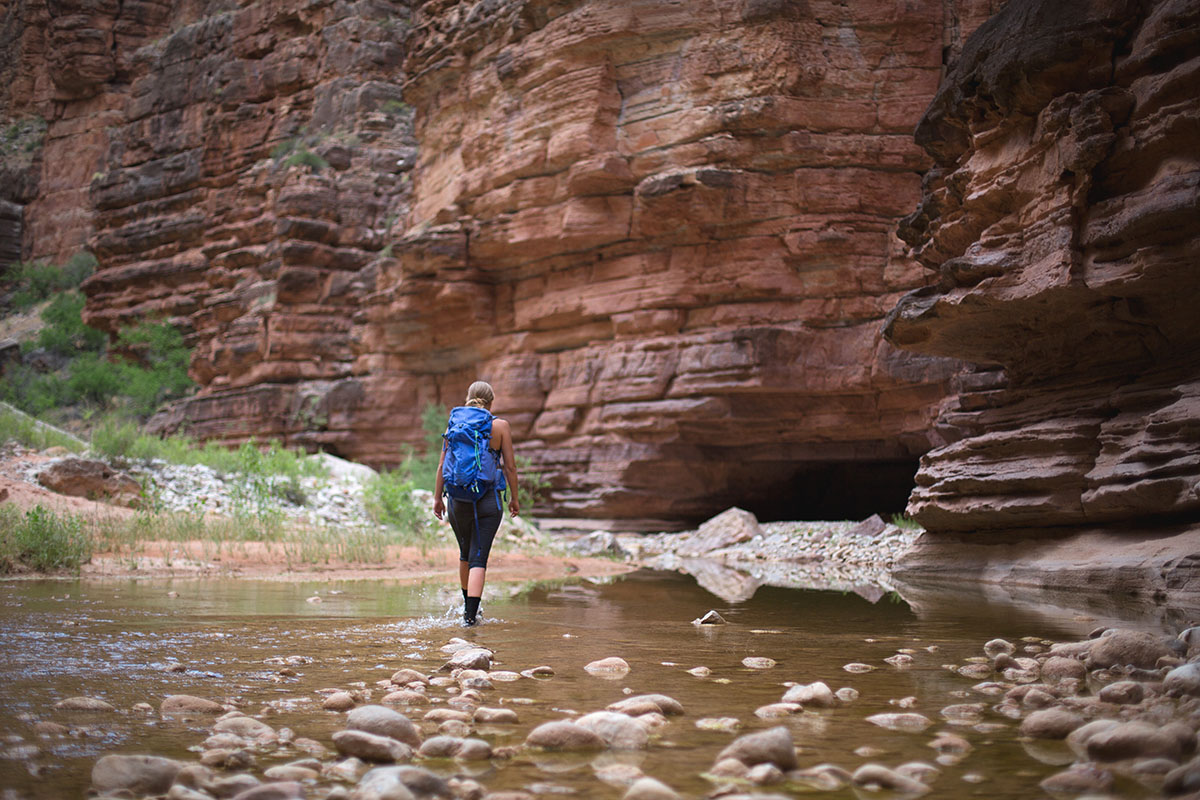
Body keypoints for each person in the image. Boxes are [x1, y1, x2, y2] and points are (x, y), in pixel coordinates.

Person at [432, 381, 520, 626]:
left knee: (465, 555)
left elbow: (442, 465)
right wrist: (514, 497)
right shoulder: (500, 426)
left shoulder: (454, 424)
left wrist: (438, 498)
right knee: (479, 557)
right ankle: (471, 617)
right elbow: (510, 467)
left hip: (457, 499)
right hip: (488, 501)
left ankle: (467, 611)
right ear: (491, 402)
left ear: (468, 397)